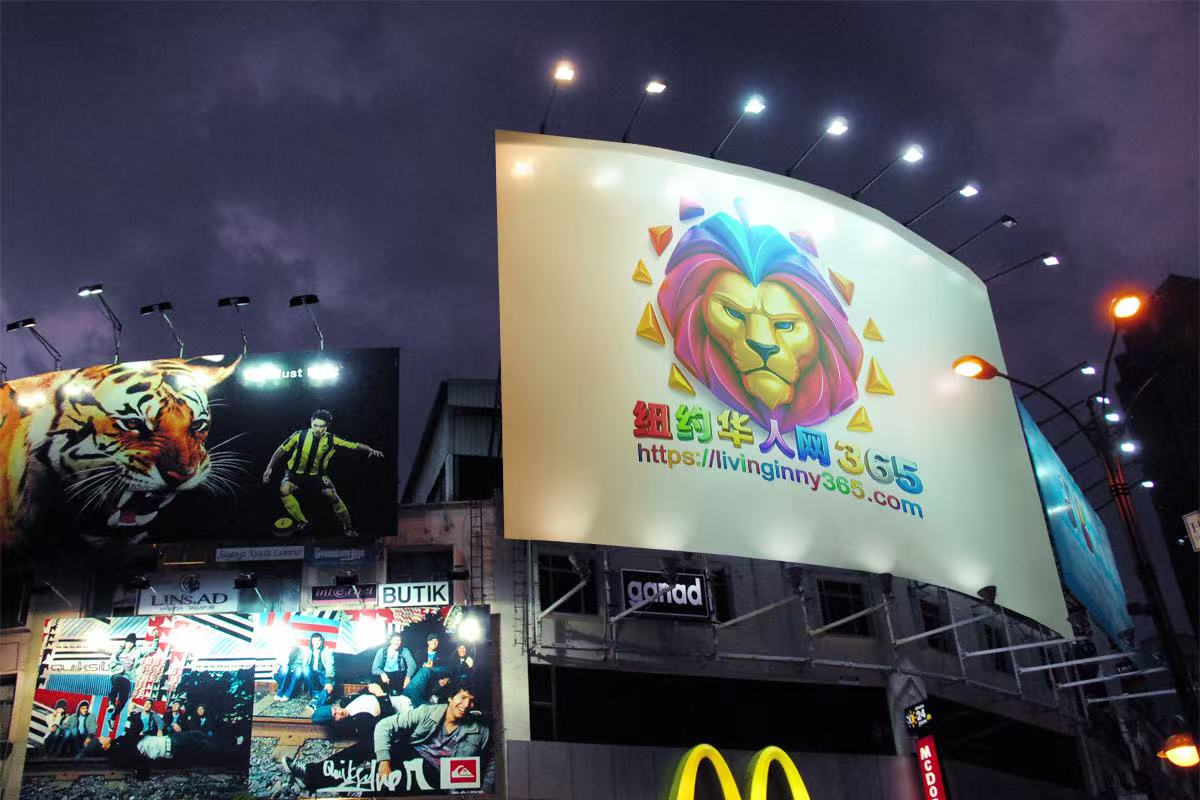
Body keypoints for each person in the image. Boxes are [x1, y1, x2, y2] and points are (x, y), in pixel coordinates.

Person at [262, 409, 384, 538]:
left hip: (317, 475)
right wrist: (269, 468)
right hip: (294, 474)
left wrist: (370, 449)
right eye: (315, 425)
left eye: (321, 426)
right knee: (284, 490)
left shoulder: (332, 439)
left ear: (327, 426)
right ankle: (303, 522)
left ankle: (348, 528)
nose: (318, 429)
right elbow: (280, 450)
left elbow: (354, 445)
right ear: (311, 422)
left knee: (332, 496)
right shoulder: (299, 435)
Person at [374, 682, 494, 793]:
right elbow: (384, 725)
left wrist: (485, 792)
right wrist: (384, 761)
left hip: (440, 778)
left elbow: (493, 760)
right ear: (450, 698)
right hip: (411, 760)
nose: (466, 704)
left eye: (471, 700)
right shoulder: (427, 712)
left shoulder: (481, 731)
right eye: (463, 697)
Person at [103, 632, 155, 735]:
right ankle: (111, 703)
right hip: (116, 674)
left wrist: (156, 638)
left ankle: (112, 719)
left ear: (134, 644)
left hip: (127, 677)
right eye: (128, 643)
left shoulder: (137, 651)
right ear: (125, 642)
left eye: (131, 643)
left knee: (124, 699)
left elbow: (152, 649)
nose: (129, 645)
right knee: (117, 681)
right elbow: (108, 653)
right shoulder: (119, 651)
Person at [292, 632, 336, 707]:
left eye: (319, 640)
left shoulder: (327, 650)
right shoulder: (307, 650)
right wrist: (295, 668)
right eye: (314, 641)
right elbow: (299, 663)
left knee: (329, 686)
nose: (316, 643)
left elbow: (330, 666)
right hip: (312, 674)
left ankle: (316, 702)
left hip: (323, 673)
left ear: (322, 641)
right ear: (311, 641)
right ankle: (315, 694)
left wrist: (329, 681)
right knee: (305, 669)